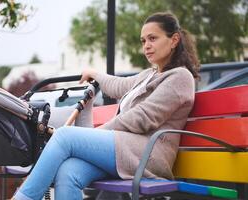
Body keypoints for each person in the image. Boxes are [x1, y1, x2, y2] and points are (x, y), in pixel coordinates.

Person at [12, 12, 200, 200]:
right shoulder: (148, 75)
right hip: (126, 150)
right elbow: (118, 85)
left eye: (153, 38)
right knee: (68, 172)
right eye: (143, 41)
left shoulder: (180, 77)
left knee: (64, 136)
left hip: (147, 155)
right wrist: (95, 74)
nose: (146, 46)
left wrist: (100, 132)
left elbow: (143, 117)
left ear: (174, 40)